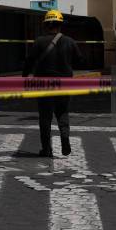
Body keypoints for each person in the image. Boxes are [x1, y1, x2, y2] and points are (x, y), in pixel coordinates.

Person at [23, 10, 84, 158]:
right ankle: (64, 140)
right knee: (62, 113)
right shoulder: (70, 41)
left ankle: (46, 149)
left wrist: (25, 77)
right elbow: (80, 60)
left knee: (45, 118)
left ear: (45, 25)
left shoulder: (39, 42)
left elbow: (29, 61)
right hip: (64, 85)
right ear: (60, 25)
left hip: (44, 86)